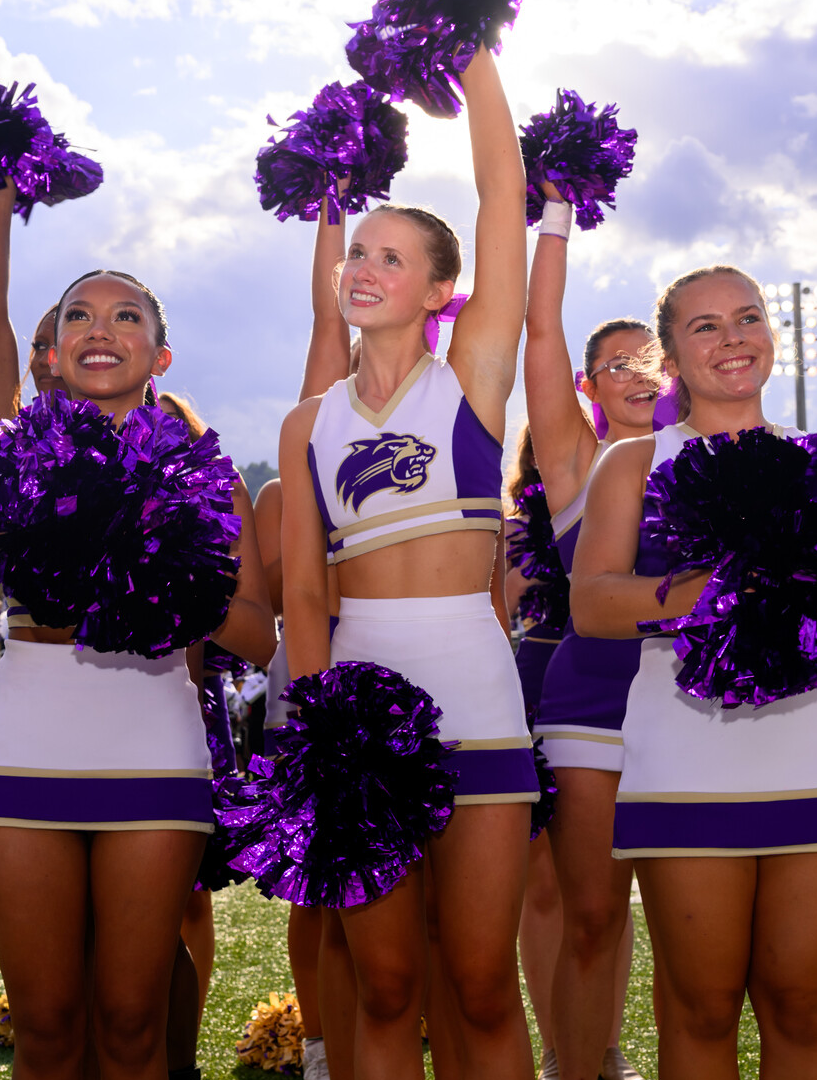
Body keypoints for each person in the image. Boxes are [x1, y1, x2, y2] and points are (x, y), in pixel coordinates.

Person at [0, 252, 275, 1079]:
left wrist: (168, 583)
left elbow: (262, 635)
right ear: (52, 351)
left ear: (160, 357)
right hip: (22, 752)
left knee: (134, 1026)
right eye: (78, 316)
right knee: (48, 1029)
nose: (101, 328)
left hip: (155, 755)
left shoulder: (209, 473)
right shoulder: (5, 462)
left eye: (127, 315)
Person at [572, 265, 817, 1078]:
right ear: (669, 356)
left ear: (773, 334)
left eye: (747, 317)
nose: (732, 337)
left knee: (803, 1005)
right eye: (704, 326)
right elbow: (593, 604)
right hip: (683, 754)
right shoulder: (634, 463)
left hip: (812, 750)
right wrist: (737, 576)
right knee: (700, 1007)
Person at [276, 46, 533, 1080]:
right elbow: (301, 591)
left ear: (441, 287)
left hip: (477, 692)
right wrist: (309, 731)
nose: (365, 269)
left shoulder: (470, 379)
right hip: (354, 706)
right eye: (356, 253)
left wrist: (469, 54)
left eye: (391, 256)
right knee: (381, 984)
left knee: (476, 983)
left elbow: (502, 194)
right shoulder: (308, 422)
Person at [516, 183, 662, 1080]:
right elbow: (538, 337)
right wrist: (558, 215)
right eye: (616, 363)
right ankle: (582, 1063)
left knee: (679, 910)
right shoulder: (576, 462)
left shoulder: (710, 455)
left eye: (651, 357)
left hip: (696, 698)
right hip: (592, 699)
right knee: (593, 912)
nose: (637, 373)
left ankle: (608, 1051)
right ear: (589, 384)